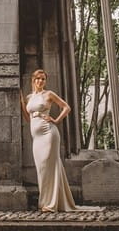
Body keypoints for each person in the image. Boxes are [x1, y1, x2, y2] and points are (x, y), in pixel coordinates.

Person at [20, 69, 77, 212]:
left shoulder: (49, 94)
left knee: (49, 167)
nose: (40, 81)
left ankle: (50, 204)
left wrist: (56, 120)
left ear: (45, 81)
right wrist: (21, 102)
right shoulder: (29, 97)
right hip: (36, 138)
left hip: (49, 134)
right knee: (41, 169)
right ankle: (46, 202)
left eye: (43, 79)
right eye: (38, 78)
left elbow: (66, 107)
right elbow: (28, 118)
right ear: (33, 80)